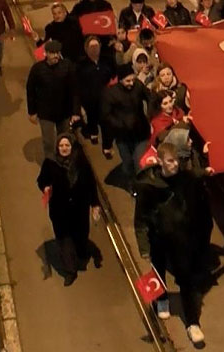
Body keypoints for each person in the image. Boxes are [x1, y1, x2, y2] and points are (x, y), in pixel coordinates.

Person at [134, 143, 215, 346]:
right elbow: (141, 219)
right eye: (170, 161)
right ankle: (162, 300)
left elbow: (194, 174)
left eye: (176, 160)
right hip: (158, 239)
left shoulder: (183, 177)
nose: (175, 164)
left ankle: (193, 323)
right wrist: (144, 248)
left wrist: (205, 167)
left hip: (181, 239)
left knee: (186, 280)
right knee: (159, 272)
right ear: (160, 162)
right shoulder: (148, 185)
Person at [35, 133, 102, 286]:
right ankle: (70, 271)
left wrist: (95, 204)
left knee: (80, 237)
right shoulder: (50, 163)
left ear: (72, 147)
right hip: (60, 210)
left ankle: (80, 253)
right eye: (61, 146)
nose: (64, 148)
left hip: (79, 209)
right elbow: (42, 179)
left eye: (67, 145)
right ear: (57, 148)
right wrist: (45, 187)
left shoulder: (81, 162)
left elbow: (91, 184)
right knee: (64, 241)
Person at [25, 40, 80, 160]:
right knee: (49, 142)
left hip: (64, 111)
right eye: (52, 53)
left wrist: (75, 111)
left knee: (64, 141)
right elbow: (30, 90)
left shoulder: (67, 66)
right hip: (46, 113)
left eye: (57, 53)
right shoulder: (37, 69)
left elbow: (74, 89)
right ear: (46, 54)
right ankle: (51, 165)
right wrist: (32, 112)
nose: (55, 56)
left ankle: (64, 163)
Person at [100, 63, 151, 190]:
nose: (131, 83)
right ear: (120, 79)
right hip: (122, 136)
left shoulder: (138, 86)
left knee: (139, 161)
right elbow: (106, 119)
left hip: (140, 133)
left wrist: (150, 116)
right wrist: (107, 144)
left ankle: (141, 187)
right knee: (127, 163)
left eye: (133, 79)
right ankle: (131, 184)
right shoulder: (111, 94)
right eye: (128, 81)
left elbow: (150, 98)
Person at [74, 36, 113, 144]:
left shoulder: (105, 61)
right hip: (88, 101)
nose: (94, 49)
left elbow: (111, 76)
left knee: (106, 122)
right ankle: (93, 133)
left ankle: (107, 146)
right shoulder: (81, 65)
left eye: (96, 46)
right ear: (86, 48)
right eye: (92, 46)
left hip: (104, 99)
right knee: (92, 119)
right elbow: (77, 86)